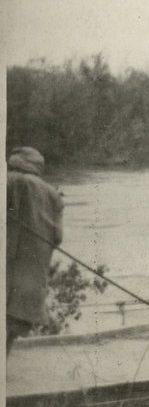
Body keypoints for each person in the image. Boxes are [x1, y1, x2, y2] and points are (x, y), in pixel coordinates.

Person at [6, 147, 63, 356]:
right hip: (32, 278)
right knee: (12, 325)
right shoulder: (53, 195)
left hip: (9, 272)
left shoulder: (12, 181)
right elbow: (58, 237)